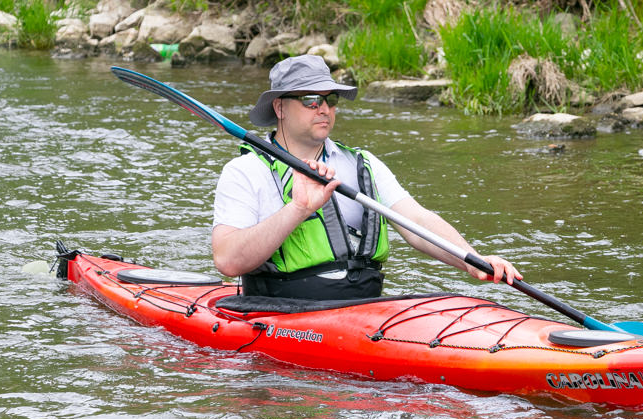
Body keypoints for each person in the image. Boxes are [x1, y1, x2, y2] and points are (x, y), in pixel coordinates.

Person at [212, 54, 521, 300]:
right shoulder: (246, 171)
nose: (324, 109)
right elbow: (227, 261)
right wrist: (297, 210)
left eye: (330, 99)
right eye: (311, 100)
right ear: (279, 107)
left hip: (363, 311)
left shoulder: (363, 163)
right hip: (282, 314)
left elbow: (416, 222)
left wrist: (470, 259)